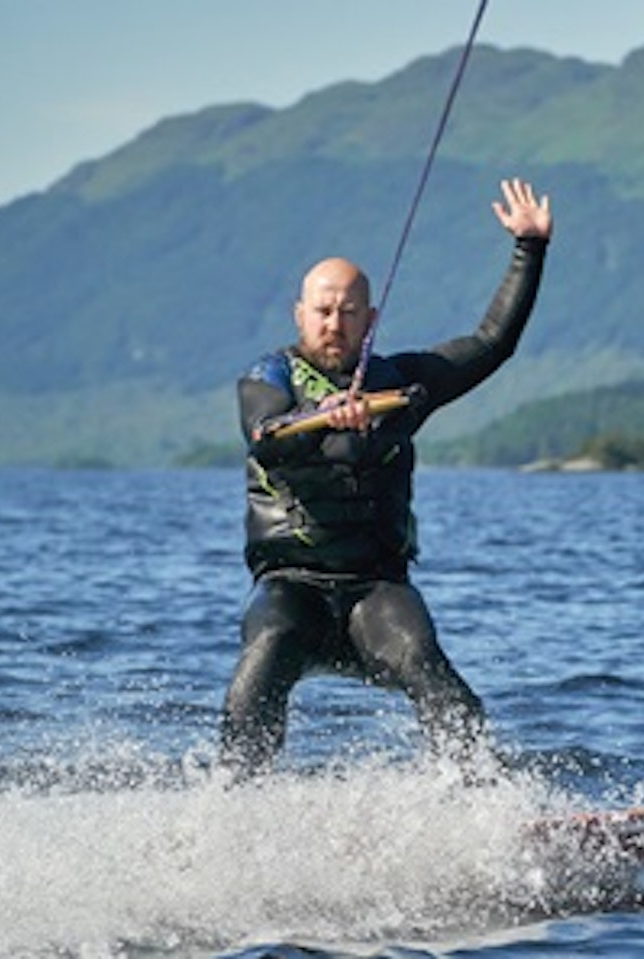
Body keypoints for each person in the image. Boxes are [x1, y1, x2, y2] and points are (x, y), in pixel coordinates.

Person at [219, 177, 553, 778]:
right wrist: (323, 422)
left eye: (349, 312)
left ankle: (483, 804)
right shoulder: (266, 378)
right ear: (301, 314)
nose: (334, 323)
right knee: (263, 654)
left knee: (425, 661)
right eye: (322, 311)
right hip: (292, 585)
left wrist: (529, 250)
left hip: (375, 588)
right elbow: (267, 436)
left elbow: (491, 343)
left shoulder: (399, 385)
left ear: (370, 319)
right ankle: (233, 801)